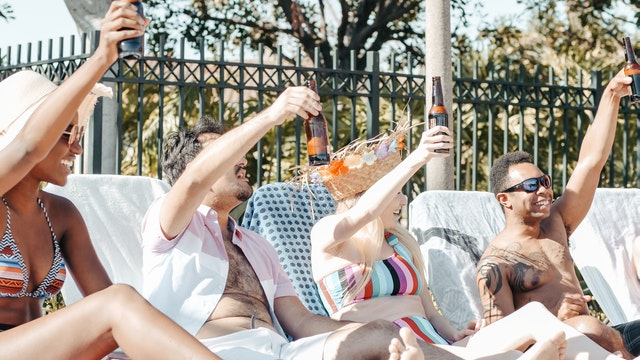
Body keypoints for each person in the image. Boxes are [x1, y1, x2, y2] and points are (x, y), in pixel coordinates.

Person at [140, 91, 472, 359]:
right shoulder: (170, 229)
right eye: (227, 155)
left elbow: (301, 321)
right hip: (211, 351)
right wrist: (274, 114)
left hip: (281, 351)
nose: (242, 159)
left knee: (383, 335)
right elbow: (196, 179)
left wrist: (369, 334)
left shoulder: (257, 246)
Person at [0, 2, 224, 359]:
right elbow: (28, 147)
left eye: (80, 131)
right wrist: (103, 56)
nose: (77, 146)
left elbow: (106, 312)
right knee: (117, 302)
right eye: (64, 133)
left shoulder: (60, 214)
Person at [307, 123, 617, 359]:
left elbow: (429, 312)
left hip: (442, 346)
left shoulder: (401, 244)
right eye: (398, 193)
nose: (403, 200)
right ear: (376, 192)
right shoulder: (329, 235)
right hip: (395, 348)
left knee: (533, 320)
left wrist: (458, 332)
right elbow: (365, 211)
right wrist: (418, 157)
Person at [476, 68, 640, 359]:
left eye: (544, 182)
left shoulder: (556, 223)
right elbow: (500, 342)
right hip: (571, 352)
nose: (543, 191)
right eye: (529, 186)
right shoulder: (495, 265)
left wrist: (612, 94)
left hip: (615, 341)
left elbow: (591, 162)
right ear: (505, 199)